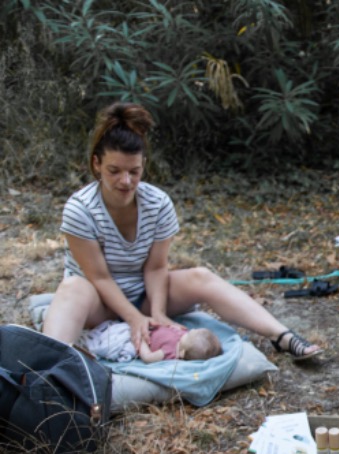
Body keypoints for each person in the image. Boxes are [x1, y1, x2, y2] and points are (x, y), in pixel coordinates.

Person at [41, 102, 322, 361]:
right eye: (114, 170)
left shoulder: (158, 202)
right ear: (96, 164)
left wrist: (158, 313)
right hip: (98, 304)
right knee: (72, 287)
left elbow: (156, 268)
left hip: (143, 296)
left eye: (134, 172)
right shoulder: (80, 209)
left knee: (201, 276)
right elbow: (99, 278)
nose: (125, 181)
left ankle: (282, 336)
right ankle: (45, 368)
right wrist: (134, 319)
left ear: (143, 167)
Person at [79, 320, 222, 364]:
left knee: (111, 341)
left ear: (182, 352)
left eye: (191, 333)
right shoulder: (182, 335)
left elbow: (148, 358)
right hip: (148, 325)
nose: (191, 330)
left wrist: (140, 339)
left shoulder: (170, 351)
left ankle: (85, 345)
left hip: (135, 337)